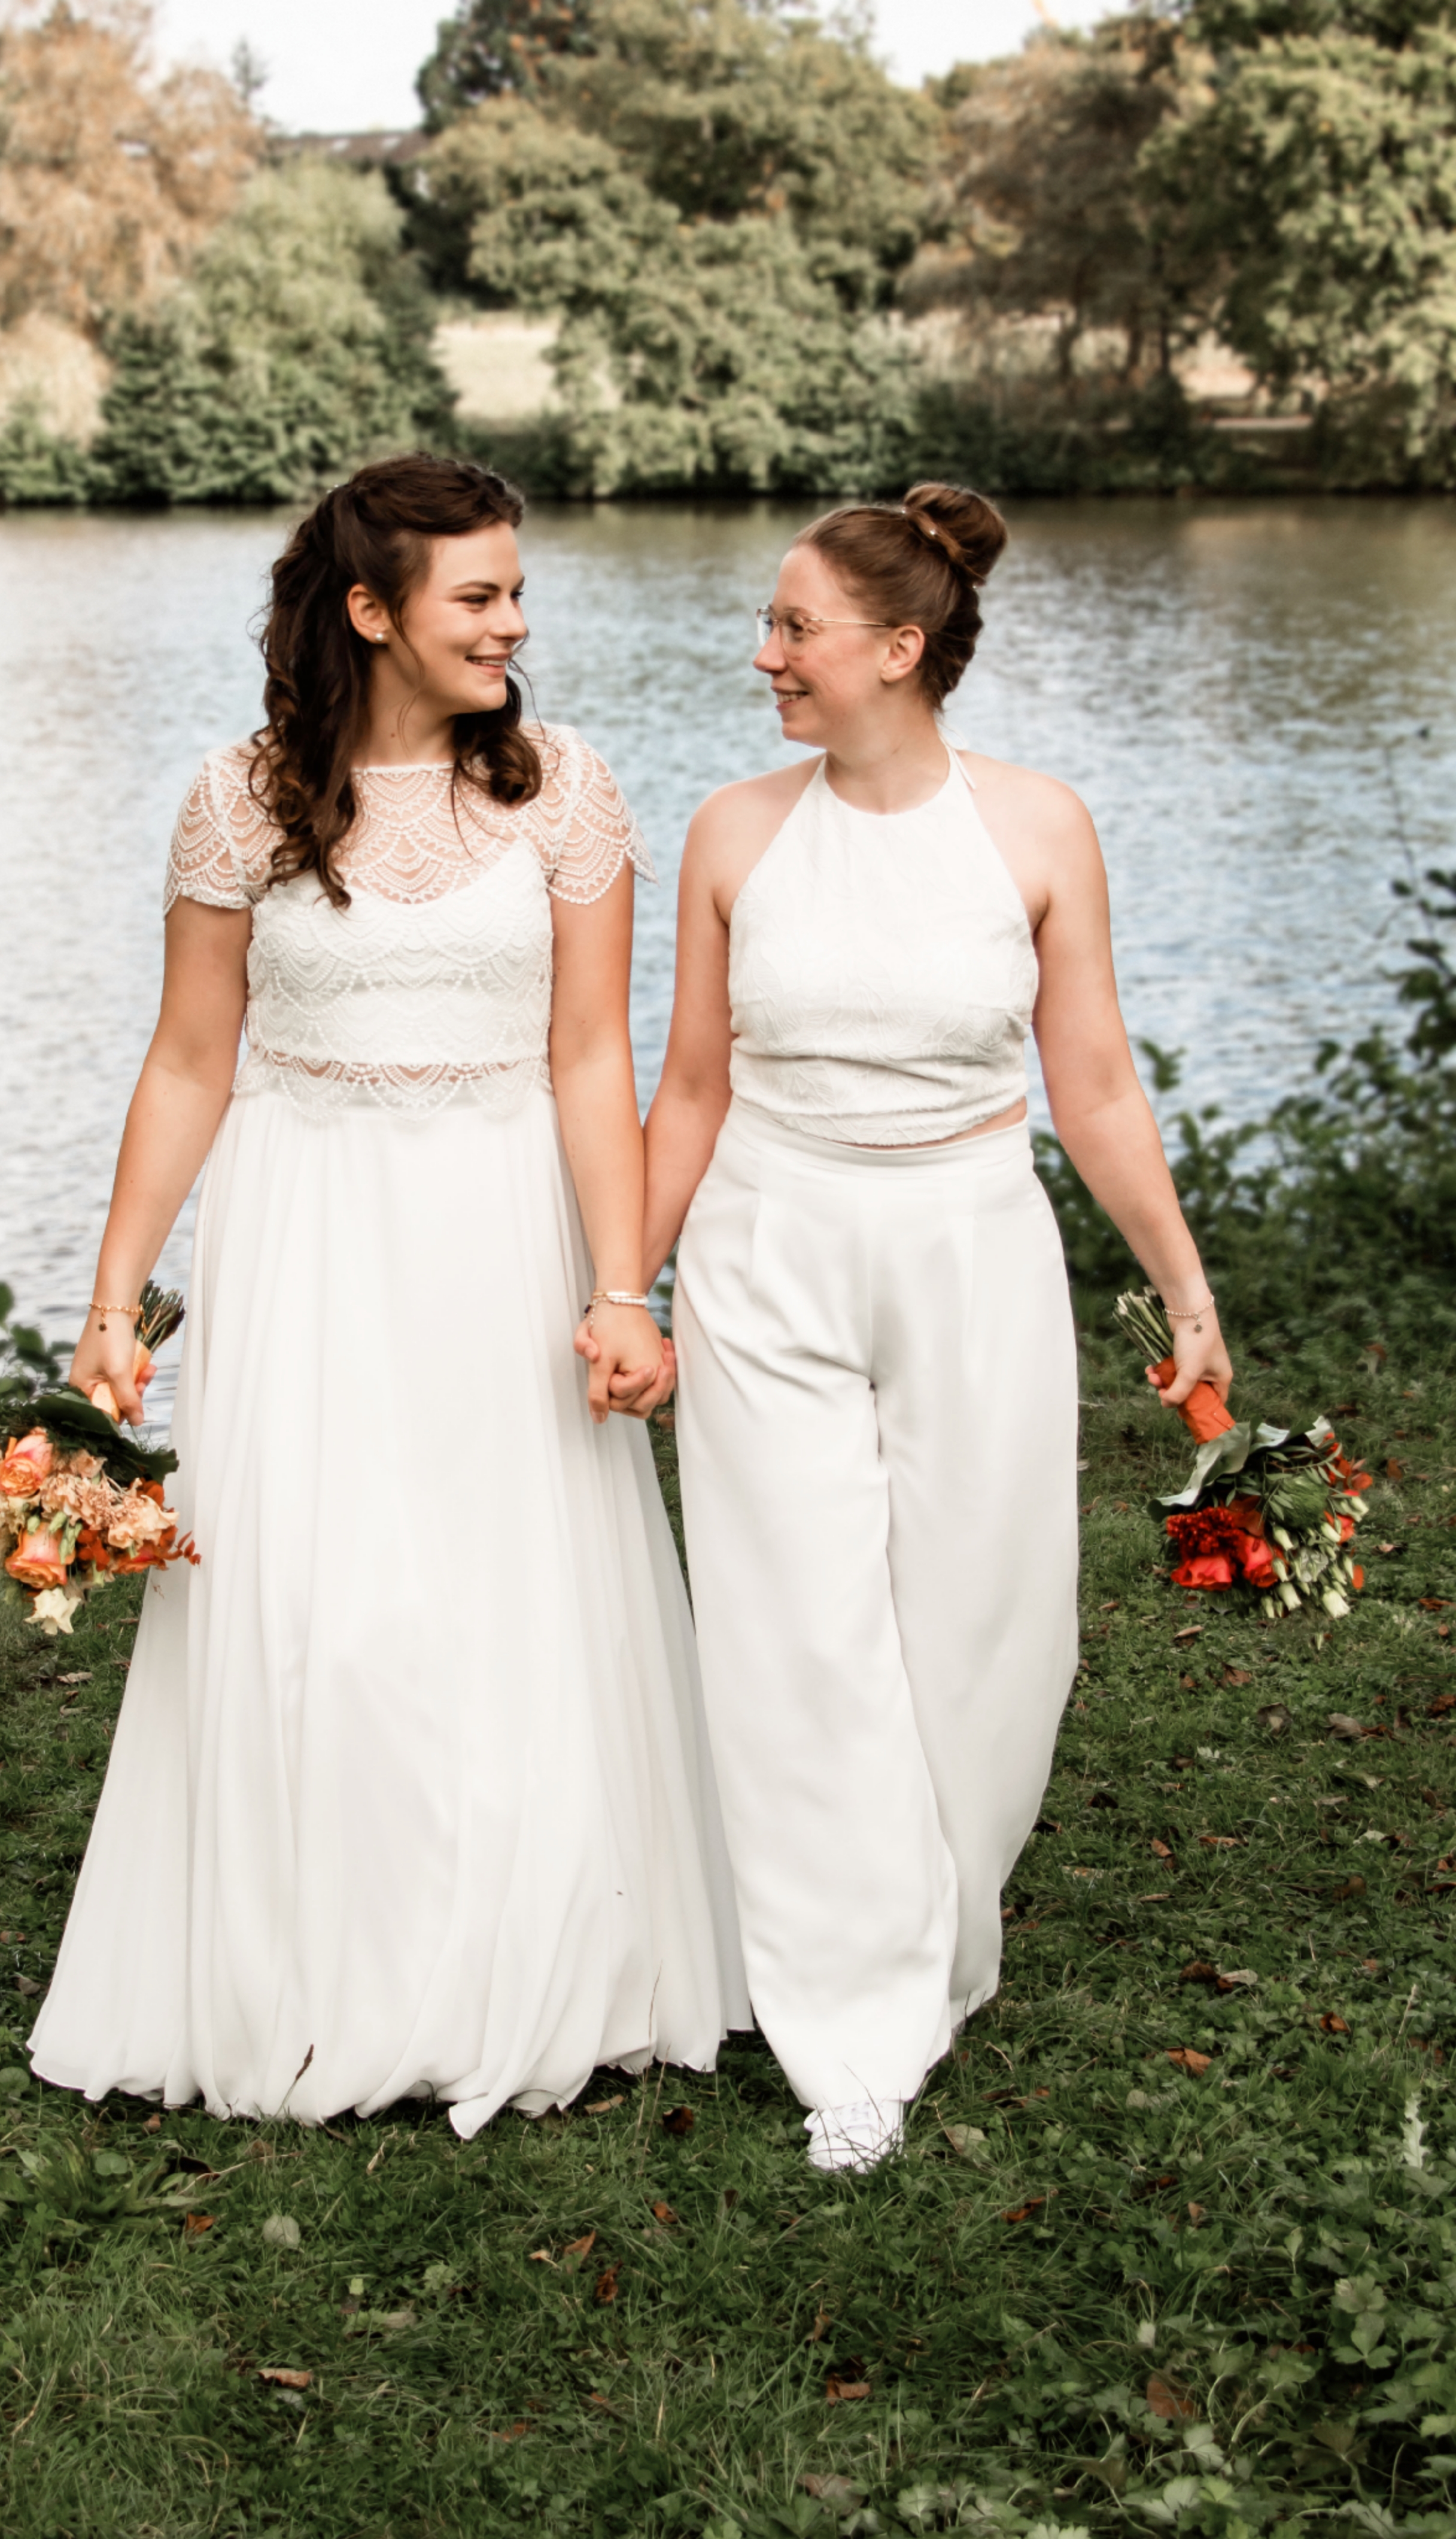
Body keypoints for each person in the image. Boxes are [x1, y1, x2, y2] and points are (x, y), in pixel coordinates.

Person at [29, 454, 747, 2135]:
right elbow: (190, 1061)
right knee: (321, 1602)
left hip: (501, 1224)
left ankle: (534, 1963)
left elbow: (592, 1058)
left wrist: (624, 1285)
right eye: (476, 596)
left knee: (510, 1595)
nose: (514, 623)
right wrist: (115, 1300)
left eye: (517, 591)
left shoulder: (564, 791)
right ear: (369, 610)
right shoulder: (239, 800)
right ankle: (315, 1977)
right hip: (311, 1226)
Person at [636, 483, 1231, 2173]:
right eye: (768, 624)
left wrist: (1186, 1292)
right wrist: (623, 1286)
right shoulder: (733, 834)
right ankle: (849, 2024)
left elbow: (1092, 1087)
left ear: (900, 647)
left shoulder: (1036, 828)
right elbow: (689, 1090)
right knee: (797, 1630)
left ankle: (935, 1931)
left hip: (971, 1247)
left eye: (794, 628)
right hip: (768, 1248)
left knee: (990, 1627)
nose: (765, 655)